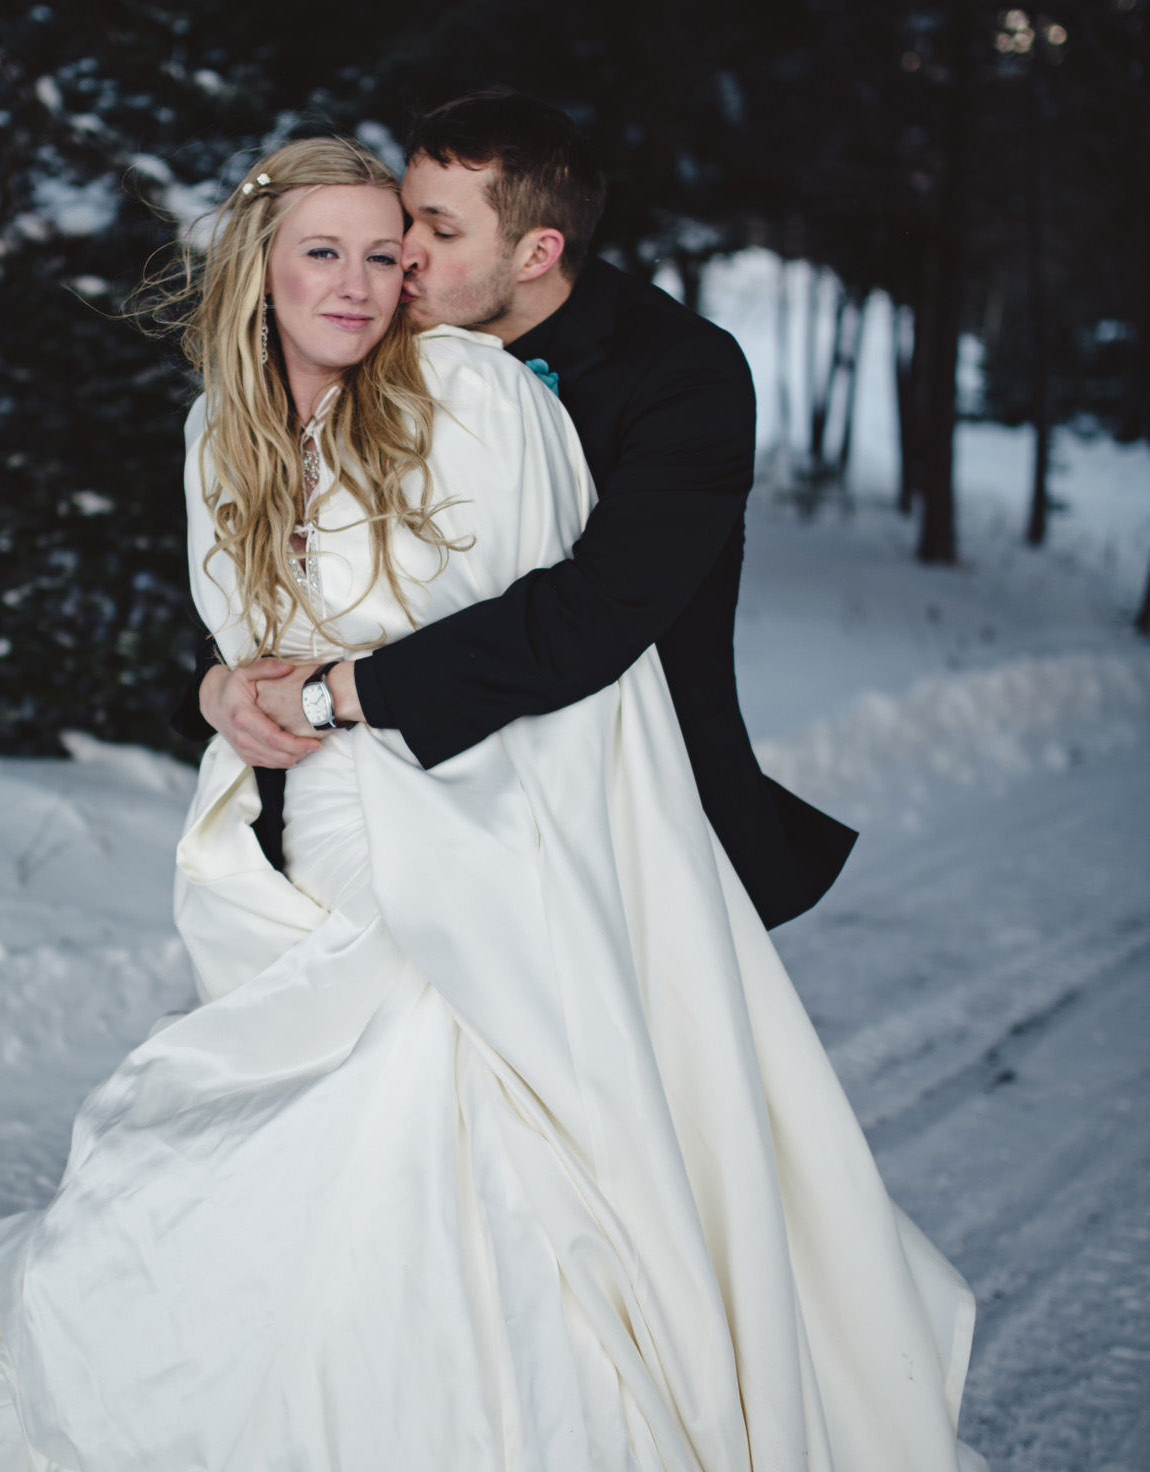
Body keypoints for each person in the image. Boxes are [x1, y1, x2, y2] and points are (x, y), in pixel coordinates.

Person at [0, 135, 1054, 1472]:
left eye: (390, 251)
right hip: (318, 852)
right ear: (257, 272)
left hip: (481, 847)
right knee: (261, 1184)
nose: (364, 284)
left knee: (493, 1195)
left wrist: (390, 761)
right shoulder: (222, 428)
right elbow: (236, 636)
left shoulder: (483, 398)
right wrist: (223, 688)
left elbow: (558, 661)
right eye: (329, 255)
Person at [181, 91, 855, 927]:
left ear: (537, 252)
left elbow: (602, 607)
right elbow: (292, 572)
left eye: (440, 231)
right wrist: (217, 688)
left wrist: (330, 695)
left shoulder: (681, 373)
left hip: (617, 804)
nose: (402, 256)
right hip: (369, 804)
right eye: (404, 223)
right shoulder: (370, 335)